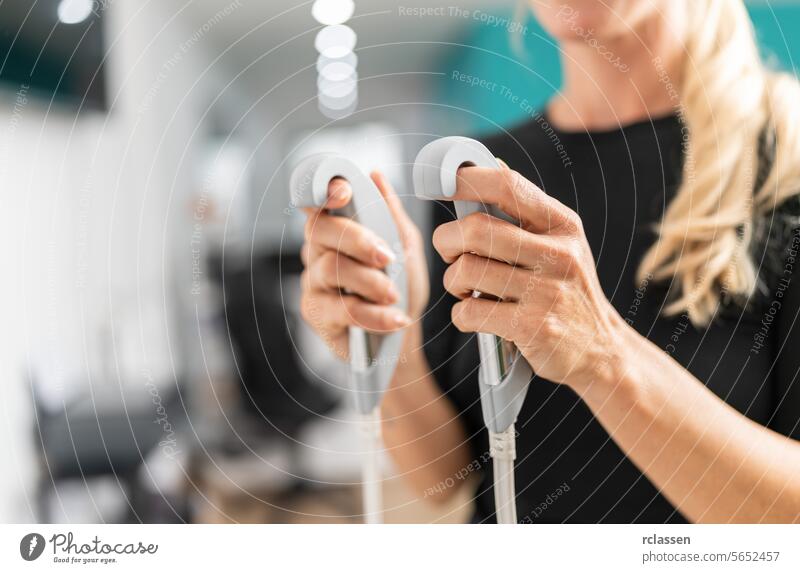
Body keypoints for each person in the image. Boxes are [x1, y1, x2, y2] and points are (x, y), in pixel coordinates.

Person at [298, 0, 800, 523]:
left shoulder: (786, 156)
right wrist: (386, 343)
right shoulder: (480, 174)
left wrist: (604, 358)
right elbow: (442, 478)